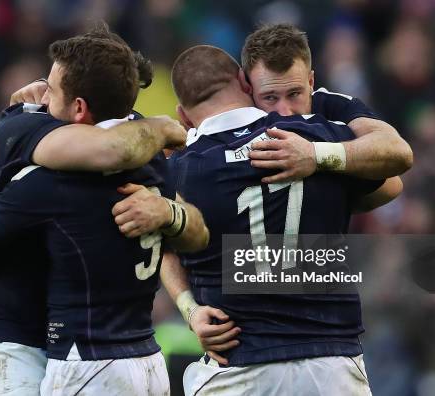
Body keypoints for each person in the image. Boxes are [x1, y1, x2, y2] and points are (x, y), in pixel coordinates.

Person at [0, 29, 210, 395]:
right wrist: (161, 127)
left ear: (81, 107)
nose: (38, 94)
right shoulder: (150, 154)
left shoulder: (44, 161)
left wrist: (168, 212)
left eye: (49, 88)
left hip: (75, 356)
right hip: (11, 343)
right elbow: (197, 230)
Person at [168, 44, 401, 395]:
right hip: (332, 364)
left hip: (237, 365)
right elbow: (392, 181)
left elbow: (161, 244)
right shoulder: (311, 134)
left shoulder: (181, 170)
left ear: (183, 117)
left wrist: (189, 310)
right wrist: (325, 180)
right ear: (245, 85)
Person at [241, 24, 413, 182]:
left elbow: (399, 153)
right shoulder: (233, 119)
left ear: (310, 82)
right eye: (270, 98)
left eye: (294, 94)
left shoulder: (332, 105)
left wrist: (316, 156)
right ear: (249, 89)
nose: (285, 112)